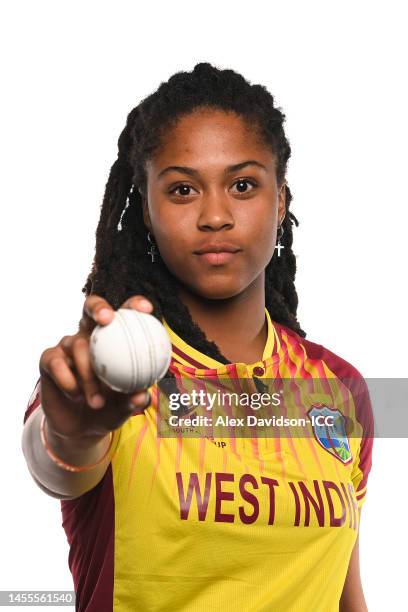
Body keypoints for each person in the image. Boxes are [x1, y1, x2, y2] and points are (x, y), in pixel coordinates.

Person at [22, 62, 373, 612]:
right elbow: (58, 460)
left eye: (242, 185)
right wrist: (72, 430)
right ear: (146, 209)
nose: (215, 216)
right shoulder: (110, 377)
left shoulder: (339, 389)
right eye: (183, 189)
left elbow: (344, 592)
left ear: (280, 202)